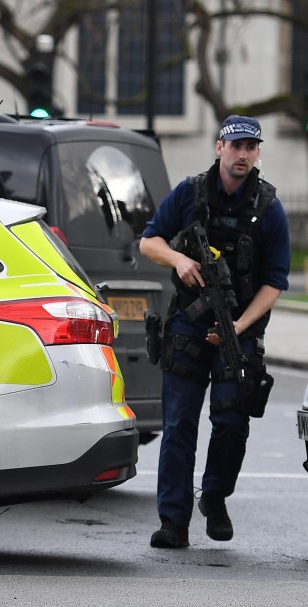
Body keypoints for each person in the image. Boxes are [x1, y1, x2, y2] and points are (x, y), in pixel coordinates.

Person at [139, 114, 290, 549]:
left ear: (257, 152)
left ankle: (216, 496)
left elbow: (275, 282)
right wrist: (179, 261)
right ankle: (173, 522)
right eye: (236, 145)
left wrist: (239, 327)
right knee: (180, 426)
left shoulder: (268, 208)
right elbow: (150, 241)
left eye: (251, 147)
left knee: (231, 423)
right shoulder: (189, 193)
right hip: (189, 323)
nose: (243, 154)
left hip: (238, 330)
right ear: (219, 147)